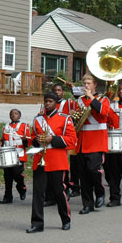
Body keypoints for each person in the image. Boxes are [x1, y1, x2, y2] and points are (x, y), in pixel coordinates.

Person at [26, 92, 77, 233]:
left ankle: (66, 219)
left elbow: (72, 140)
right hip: (40, 160)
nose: (47, 104)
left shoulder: (65, 119)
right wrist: (37, 141)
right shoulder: (37, 119)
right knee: (38, 193)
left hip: (57, 160)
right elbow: (32, 138)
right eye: (45, 101)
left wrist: (52, 140)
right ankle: (37, 223)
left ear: (55, 103)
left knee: (59, 192)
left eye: (50, 101)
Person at [74, 73, 110, 214]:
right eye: (85, 84)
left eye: (89, 84)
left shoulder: (103, 99)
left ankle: (100, 192)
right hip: (83, 141)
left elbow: (103, 112)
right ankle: (87, 204)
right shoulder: (80, 101)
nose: (86, 86)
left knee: (93, 170)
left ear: (95, 85)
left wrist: (91, 97)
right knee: (83, 175)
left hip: (97, 140)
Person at [0, 108, 29, 204]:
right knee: (7, 177)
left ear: (19, 116)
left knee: (17, 174)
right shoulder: (5, 127)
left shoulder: (24, 126)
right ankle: (8, 197)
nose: (13, 115)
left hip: (19, 154)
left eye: (16, 114)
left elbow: (28, 143)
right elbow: (2, 140)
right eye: (11, 114)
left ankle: (21, 188)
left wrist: (24, 140)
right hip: (7, 155)